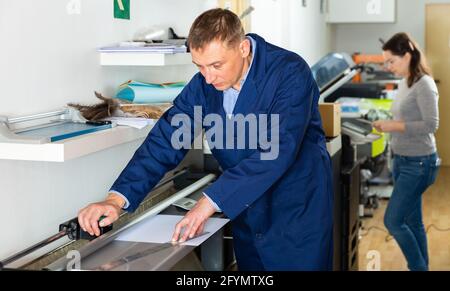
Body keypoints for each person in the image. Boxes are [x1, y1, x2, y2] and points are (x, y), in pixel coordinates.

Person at [78, 8, 333, 271]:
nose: (208, 77)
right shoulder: (203, 85)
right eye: (199, 66)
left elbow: (276, 152)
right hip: (246, 209)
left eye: (216, 65)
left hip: (295, 212)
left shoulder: (289, 73)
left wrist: (208, 202)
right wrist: (116, 200)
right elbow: (166, 139)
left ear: (243, 48)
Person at [373, 32, 440, 271]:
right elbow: (405, 115)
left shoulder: (425, 84)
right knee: (413, 221)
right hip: (402, 160)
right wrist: (387, 121)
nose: (387, 66)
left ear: (408, 55)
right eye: (385, 62)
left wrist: (393, 126)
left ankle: (418, 267)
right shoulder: (405, 82)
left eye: (391, 61)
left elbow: (432, 125)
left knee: (393, 220)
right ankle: (421, 268)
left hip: (419, 163)